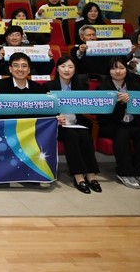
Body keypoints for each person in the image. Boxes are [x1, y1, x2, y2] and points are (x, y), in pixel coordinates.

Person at [97, 57, 140, 191]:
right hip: (112, 124)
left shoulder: (137, 80)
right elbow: (103, 115)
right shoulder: (103, 87)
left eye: (121, 68)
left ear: (126, 69)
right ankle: (125, 172)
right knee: (122, 133)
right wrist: (119, 103)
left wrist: (133, 99)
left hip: (134, 122)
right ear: (109, 71)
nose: (117, 71)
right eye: (113, 68)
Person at [46, 57, 102, 194]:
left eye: (70, 67)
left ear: (74, 70)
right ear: (57, 69)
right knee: (71, 135)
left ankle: (91, 175)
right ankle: (78, 177)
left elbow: (87, 108)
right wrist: (55, 117)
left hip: (76, 124)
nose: (67, 70)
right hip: (58, 125)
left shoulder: (81, 87)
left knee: (85, 135)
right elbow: (43, 110)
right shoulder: (48, 87)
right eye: (63, 66)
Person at [0, 52, 49, 119]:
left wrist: (49, 100)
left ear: (29, 70)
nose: (20, 69)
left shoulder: (39, 89)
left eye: (24, 66)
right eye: (16, 65)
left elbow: (44, 115)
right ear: (10, 69)